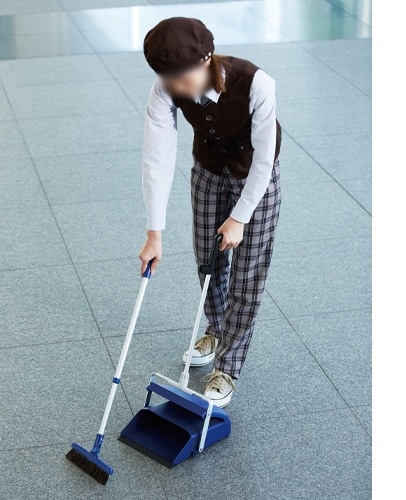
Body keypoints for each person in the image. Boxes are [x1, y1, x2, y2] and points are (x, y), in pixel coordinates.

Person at [138, 17, 282, 408]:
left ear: (206, 59)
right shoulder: (164, 89)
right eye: (173, 82)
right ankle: (216, 329)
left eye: (187, 79)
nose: (182, 89)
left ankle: (228, 367)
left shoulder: (257, 83)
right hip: (208, 170)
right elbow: (157, 157)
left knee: (247, 274)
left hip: (255, 175)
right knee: (208, 259)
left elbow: (264, 157)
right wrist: (154, 232)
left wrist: (240, 217)